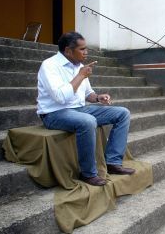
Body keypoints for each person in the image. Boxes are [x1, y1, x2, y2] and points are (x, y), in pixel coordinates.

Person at [37, 32, 135, 187]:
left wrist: (98, 97)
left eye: (86, 49)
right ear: (68, 51)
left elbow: (87, 93)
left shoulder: (80, 67)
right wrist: (81, 76)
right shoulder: (49, 66)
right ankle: (88, 173)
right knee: (88, 121)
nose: (86, 52)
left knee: (122, 113)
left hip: (79, 109)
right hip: (54, 113)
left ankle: (112, 162)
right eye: (82, 49)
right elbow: (60, 98)